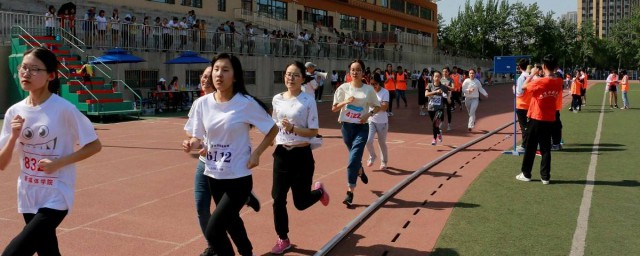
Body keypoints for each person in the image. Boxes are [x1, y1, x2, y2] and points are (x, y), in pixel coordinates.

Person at [1, 47, 102, 255]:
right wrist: (13, 136)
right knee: (48, 251)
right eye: (23, 68)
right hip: (28, 194)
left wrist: (58, 163)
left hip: (56, 193)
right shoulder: (14, 111)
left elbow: (94, 145)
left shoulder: (64, 109)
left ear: (51, 75)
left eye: (34, 69)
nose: (26, 73)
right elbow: (1, 164)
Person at [184, 53, 278, 256]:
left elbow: (272, 129)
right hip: (214, 175)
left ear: (235, 76)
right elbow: (197, 137)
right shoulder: (203, 104)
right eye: (216, 69)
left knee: (214, 230)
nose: (219, 74)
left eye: (225, 70)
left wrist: (257, 153)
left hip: (238, 177)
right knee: (231, 221)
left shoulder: (245, 103)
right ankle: (247, 252)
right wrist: (191, 143)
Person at [269, 61, 330, 255]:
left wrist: (292, 128)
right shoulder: (277, 99)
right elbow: (272, 125)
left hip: (302, 155)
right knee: (277, 199)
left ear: (303, 79)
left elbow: (313, 131)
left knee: (300, 203)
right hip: (281, 154)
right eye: (288, 74)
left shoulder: (307, 100)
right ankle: (283, 238)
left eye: (295, 75)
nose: (290, 78)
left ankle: (319, 193)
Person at [332, 59, 380, 207]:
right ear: (349, 72)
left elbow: (377, 107)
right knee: (354, 157)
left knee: (352, 159)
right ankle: (359, 170)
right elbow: (334, 108)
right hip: (346, 128)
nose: (355, 72)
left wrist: (368, 114)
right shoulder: (343, 88)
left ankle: (349, 192)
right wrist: (345, 102)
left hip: (361, 128)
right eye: (352, 69)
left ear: (362, 72)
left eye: (358, 69)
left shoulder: (368, 89)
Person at [516, 54, 563, 185]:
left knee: (530, 147)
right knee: (545, 148)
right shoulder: (559, 81)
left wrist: (532, 74)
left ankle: (526, 173)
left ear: (543, 66)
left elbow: (524, 87)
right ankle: (545, 176)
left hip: (536, 117)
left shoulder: (539, 82)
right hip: (549, 118)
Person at [365, 74, 389, 170]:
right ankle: (372, 156)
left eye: (375, 84)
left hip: (382, 122)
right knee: (368, 141)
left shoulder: (385, 92)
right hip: (371, 120)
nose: (373, 86)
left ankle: (384, 162)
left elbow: (384, 107)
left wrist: (375, 106)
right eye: (371, 84)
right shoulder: (369, 92)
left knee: (381, 142)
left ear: (379, 83)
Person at [426, 71, 450, 145]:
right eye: (435, 76)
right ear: (433, 77)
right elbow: (426, 94)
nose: (436, 78)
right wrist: (435, 92)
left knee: (435, 123)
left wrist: (448, 98)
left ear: (440, 78)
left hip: (439, 108)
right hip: (430, 108)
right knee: (434, 123)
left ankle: (434, 138)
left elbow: (448, 92)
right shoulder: (429, 85)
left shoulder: (443, 87)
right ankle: (439, 132)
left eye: (438, 76)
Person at [514, 60, 531, 152]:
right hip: (529, 104)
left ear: (520, 67)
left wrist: (514, 90)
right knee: (528, 125)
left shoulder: (522, 77)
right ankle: (528, 143)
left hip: (522, 104)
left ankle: (525, 145)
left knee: (524, 126)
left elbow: (520, 92)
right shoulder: (531, 76)